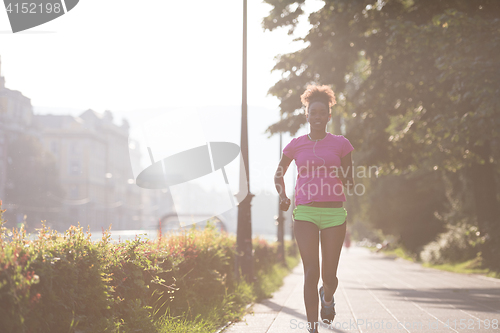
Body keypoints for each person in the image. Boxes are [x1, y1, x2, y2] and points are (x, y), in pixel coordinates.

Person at [274, 85, 354, 333]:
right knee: (311, 271)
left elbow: (350, 181)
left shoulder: (341, 144)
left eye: (323, 112)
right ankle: (312, 327)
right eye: (313, 112)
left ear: (329, 116)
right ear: (306, 115)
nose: (318, 116)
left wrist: (340, 173)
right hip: (305, 212)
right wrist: (284, 195)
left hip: (333, 214)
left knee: (329, 277)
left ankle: (327, 299)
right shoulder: (296, 145)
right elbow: (279, 174)